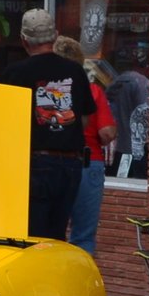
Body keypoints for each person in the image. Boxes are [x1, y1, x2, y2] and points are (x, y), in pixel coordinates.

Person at [0, 8, 93, 241]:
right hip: (71, 165)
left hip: (34, 164)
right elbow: (85, 118)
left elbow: (4, 125)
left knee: (33, 236)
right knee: (58, 235)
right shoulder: (75, 71)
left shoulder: (14, 73)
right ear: (55, 35)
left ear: (24, 40)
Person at [53, 34, 115, 253]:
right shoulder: (93, 91)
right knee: (83, 237)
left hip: (50, 162)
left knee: (49, 233)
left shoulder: (46, 90)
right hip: (88, 162)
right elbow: (106, 133)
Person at [105, 48, 149, 179]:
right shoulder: (142, 84)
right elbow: (146, 114)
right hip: (135, 150)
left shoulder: (115, 82)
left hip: (117, 148)